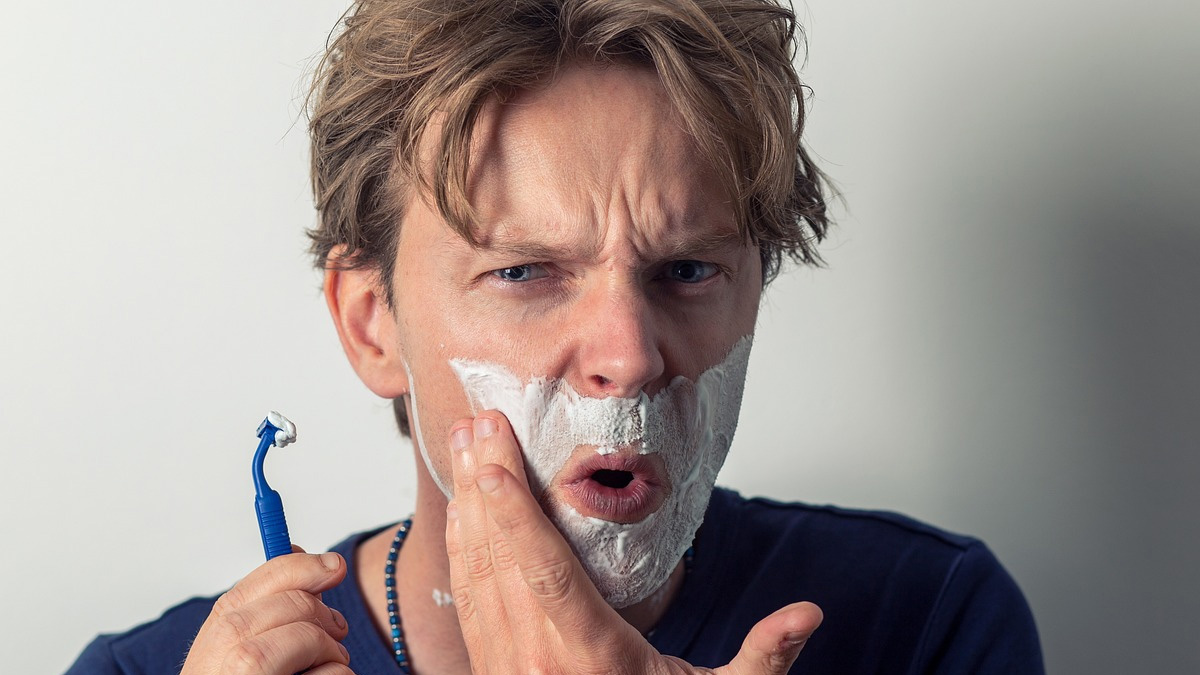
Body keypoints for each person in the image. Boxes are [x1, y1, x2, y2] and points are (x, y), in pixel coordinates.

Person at [68, 0, 1044, 673]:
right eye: (525, 272)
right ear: (371, 325)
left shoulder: (925, 623)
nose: (628, 355)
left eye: (687, 270)